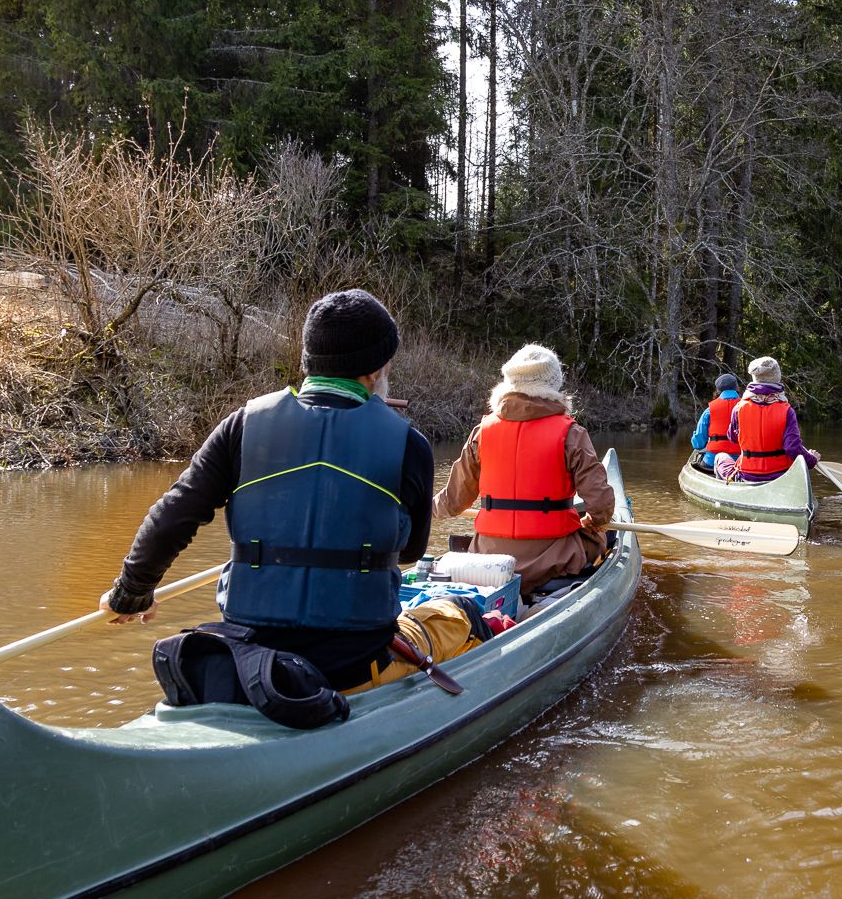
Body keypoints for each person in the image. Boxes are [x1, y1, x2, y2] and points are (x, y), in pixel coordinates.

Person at [98, 289, 435, 701]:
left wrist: (132, 590)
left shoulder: (242, 426)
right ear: (377, 369)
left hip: (249, 652)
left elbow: (176, 512)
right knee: (459, 620)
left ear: (308, 359)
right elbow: (410, 552)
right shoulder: (410, 445)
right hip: (353, 661)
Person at [433, 344, 616, 595]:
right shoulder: (571, 433)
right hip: (553, 561)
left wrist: (426, 508)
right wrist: (595, 522)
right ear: (553, 385)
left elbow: (454, 501)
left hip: (488, 558)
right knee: (604, 537)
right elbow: (601, 506)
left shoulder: (481, 432)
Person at [715, 355, 821, 482]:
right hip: (781, 476)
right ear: (777, 378)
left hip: (747, 475)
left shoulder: (738, 408)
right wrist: (811, 460)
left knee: (720, 457)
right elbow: (792, 448)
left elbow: (732, 438)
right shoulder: (787, 411)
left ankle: (726, 491)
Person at [688, 373, 742, 473]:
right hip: (740, 461)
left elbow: (698, 444)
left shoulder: (709, 411)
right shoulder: (747, 408)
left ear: (718, 390)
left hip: (711, 461)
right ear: (737, 387)